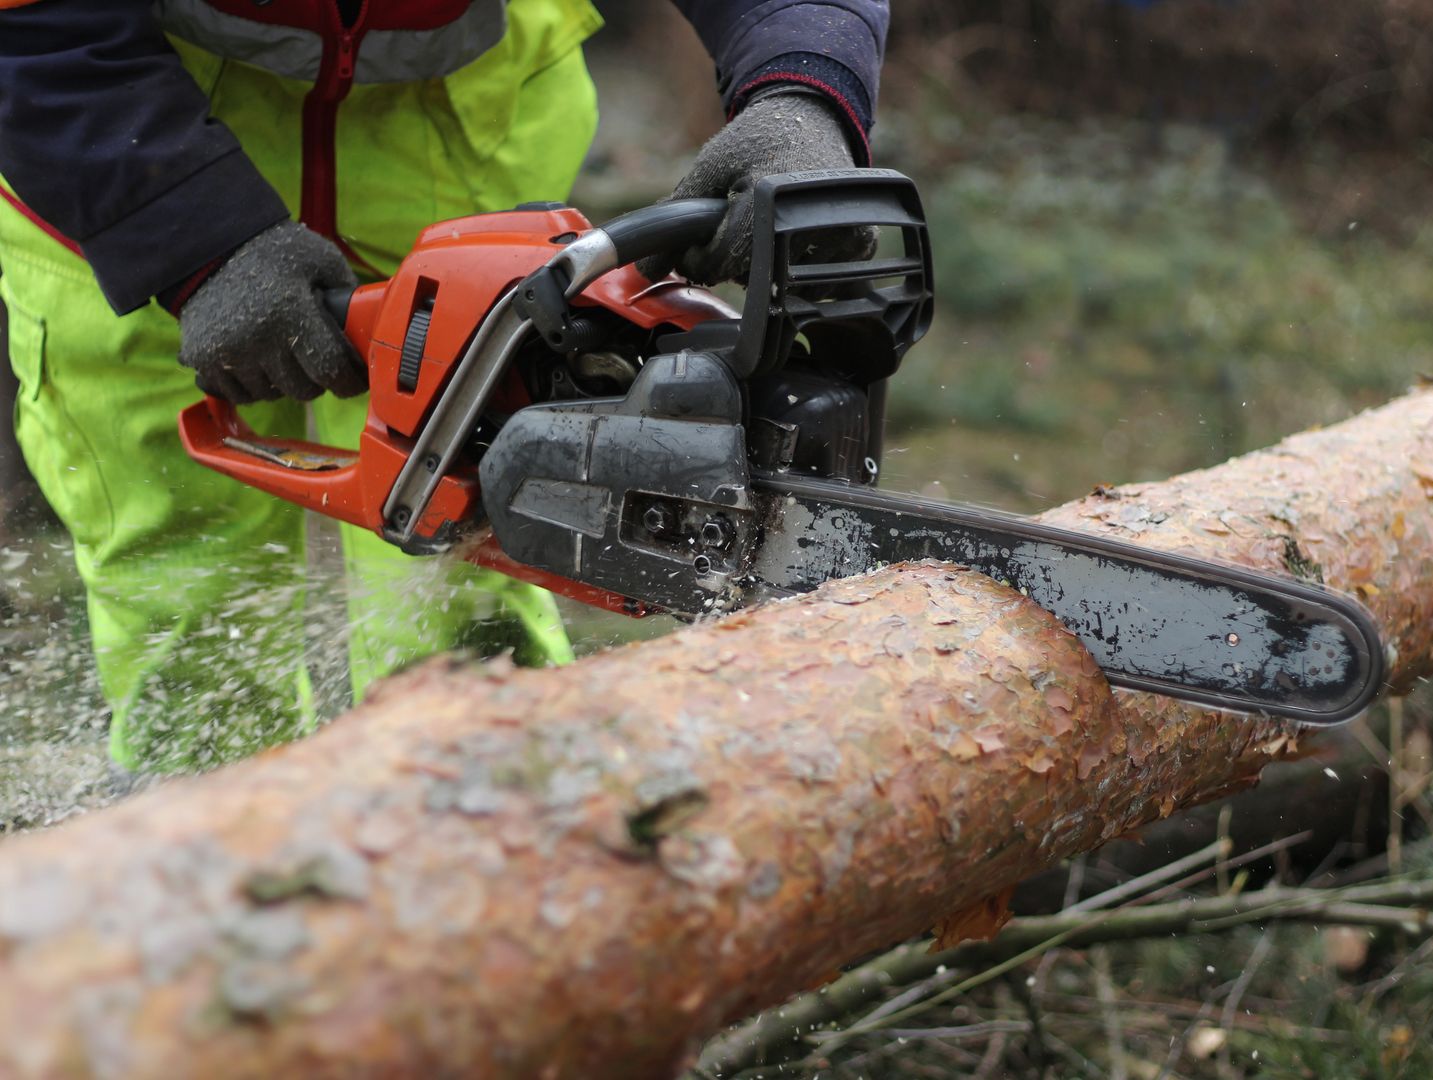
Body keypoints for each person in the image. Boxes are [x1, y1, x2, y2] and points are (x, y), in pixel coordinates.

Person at [0, 0, 888, 771]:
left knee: (483, 540)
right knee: (183, 578)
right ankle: (195, 885)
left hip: (458, 129)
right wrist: (182, 230)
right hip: (121, 128)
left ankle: (488, 871)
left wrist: (801, 82)